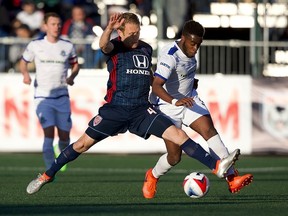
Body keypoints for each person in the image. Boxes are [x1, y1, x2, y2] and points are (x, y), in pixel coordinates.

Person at [26, 12, 240, 195]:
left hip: (141, 110)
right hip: (115, 109)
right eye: (131, 33)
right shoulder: (115, 47)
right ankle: (47, 175)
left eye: (138, 32)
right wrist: (109, 28)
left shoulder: (146, 49)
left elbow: (149, 77)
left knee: (180, 136)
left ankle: (217, 167)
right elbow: (103, 45)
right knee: (82, 145)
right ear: (121, 33)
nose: (136, 36)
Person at [142, 20, 253, 199]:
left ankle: (232, 178)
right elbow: (156, 86)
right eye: (193, 44)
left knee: (209, 130)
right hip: (167, 106)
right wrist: (174, 100)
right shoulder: (170, 56)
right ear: (183, 38)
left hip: (189, 100)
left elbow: (182, 74)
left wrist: (190, 84)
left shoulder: (191, 47)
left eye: (199, 44)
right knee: (174, 156)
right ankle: (152, 175)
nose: (195, 48)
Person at [19, 12, 80, 171]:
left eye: (59, 24)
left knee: (65, 137)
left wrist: (72, 76)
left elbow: (75, 64)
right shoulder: (35, 45)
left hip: (62, 96)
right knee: (48, 134)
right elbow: (23, 62)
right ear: (45, 26)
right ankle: (50, 169)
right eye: (53, 24)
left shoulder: (67, 46)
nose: (57, 27)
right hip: (42, 97)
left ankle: (59, 153)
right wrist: (25, 75)